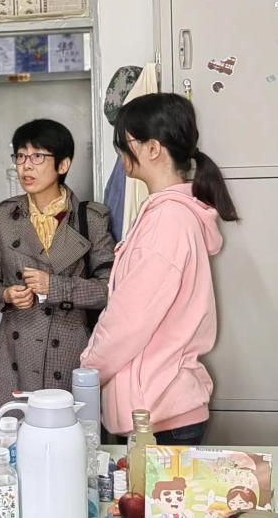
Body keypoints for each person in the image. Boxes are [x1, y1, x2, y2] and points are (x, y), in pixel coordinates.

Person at [81, 93, 238, 445]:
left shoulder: (167, 221)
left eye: (125, 143)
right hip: (160, 406)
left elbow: (129, 320)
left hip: (158, 413)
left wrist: (88, 368)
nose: (121, 152)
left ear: (153, 149)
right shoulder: (169, 214)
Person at [0, 119, 114, 414]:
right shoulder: (4, 216)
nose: (26, 166)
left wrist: (55, 286)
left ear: (63, 164)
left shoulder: (91, 219)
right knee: (17, 434)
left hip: (70, 352)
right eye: (20, 156)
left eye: (38, 156)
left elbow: (108, 290)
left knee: (68, 433)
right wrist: (5, 294)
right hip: (16, 352)